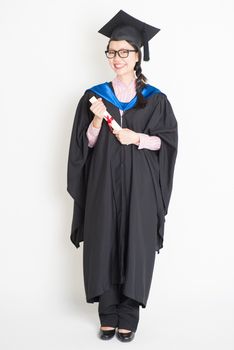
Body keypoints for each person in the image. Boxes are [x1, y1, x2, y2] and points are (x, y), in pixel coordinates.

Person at [67, 9, 178, 342]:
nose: (117, 58)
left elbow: (167, 141)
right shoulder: (95, 97)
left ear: (138, 55)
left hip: (140, 185)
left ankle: (129, 313)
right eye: (112, 52)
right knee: (104, 239)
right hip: (103, 183)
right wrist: (98, 121)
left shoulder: (155, 100)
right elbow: (83, 146)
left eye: (124, 52)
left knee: (135, 241)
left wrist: (138, 139)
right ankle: (108, 311)